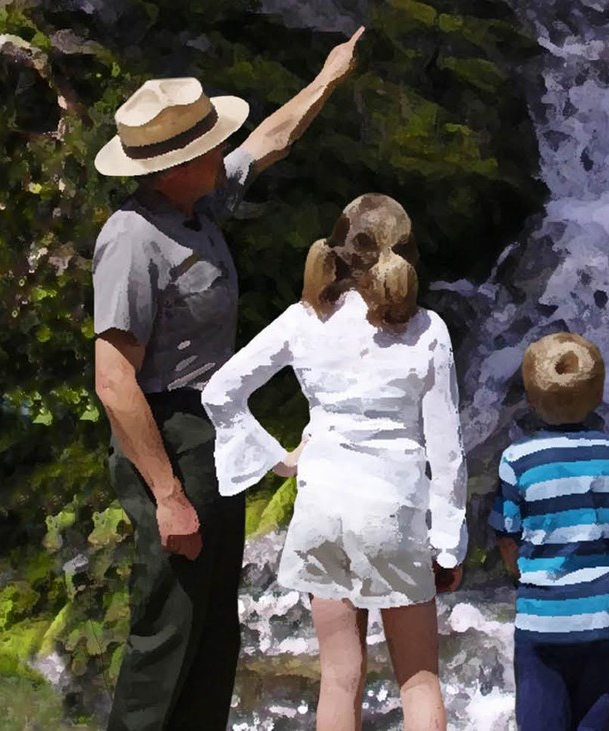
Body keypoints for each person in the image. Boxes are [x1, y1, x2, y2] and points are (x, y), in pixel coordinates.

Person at [91, 27, 364, 731]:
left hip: (210, 430)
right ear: (172, 163)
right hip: (170, 434)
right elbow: (115, 379)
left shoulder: (198, 204)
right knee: (170, 628)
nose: (221, 149)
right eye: (208, 143)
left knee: (213, 629)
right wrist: (168, 494)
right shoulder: (133, 237)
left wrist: (329, 78)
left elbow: (270, 139)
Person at [199, 194, 467, 731]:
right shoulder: (424, 329)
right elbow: (447, 449)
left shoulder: (305, 319)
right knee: (418, 681)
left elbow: (221, 392)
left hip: (322, 509)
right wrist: (449, 543)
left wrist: (279, 460)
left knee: (340, 676)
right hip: (392, 511)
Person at [490, 332, 609, 731]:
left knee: (540, 717)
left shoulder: (517, 461)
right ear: (599, 395)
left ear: (530, 399)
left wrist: (522, 573)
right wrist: (600, 569)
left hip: (540, 619)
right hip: (598, 615)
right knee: (594, 714)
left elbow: (508, 536)